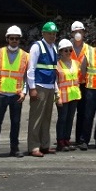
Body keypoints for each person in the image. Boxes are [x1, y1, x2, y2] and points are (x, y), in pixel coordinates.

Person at [0, 25, 29, 159]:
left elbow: (27, 76)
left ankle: (14, 148)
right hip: (1, 94)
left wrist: (24, 91)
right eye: (12, 38)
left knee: (16, 123)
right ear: (7, 39)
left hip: (16, 95)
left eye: (17, 39)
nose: (14, 41)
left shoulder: (25, 56)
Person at [27, 21, 60, 157]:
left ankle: (45, 145)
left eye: (54, 34)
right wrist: (32, 88)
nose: (52, 36)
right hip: (40, 86)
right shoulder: (37, 47)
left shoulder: (54, 48)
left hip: (50, 86)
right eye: (50, 33)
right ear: (43, 33)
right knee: (36, 118)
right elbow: (31, 69)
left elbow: (53, 70)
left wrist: (56, 89)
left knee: (47, 118)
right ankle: (34, 146)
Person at [55, 38, 82, 151]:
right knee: (62, 118)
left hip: (74, 95)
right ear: (60, 52)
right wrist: (57, 97)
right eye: (65, 50)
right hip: (63, 96)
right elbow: (55, 82)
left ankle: (67, 139)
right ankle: (60, 141)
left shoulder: (76, 63)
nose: (68, 52)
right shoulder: (57, 65)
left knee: (70, 118)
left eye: (69, 50)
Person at [70, 21, 91, 145]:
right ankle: (64, 138)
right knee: (67, 114)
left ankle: (80, 139)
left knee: (82, 113)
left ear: (84, 33)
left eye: (80, 31)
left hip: (84, 85)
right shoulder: (66, 47)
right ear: (72, 33)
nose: (78, 34)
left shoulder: (89, 49)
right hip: (70, 85)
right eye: (76, 32)